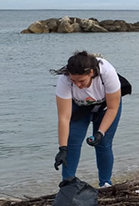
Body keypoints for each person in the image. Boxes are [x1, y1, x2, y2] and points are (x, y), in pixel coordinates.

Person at [52, 51, 122, 187]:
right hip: (79, 108)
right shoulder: (64, 80)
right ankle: (68, 184)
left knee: (103, 143)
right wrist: (62, 148)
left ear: (91, 73)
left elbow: (113, 108)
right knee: (72, 143)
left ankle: (105, 183)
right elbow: (64, 117)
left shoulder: (107, 72)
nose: (77, 85)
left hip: (106, 108)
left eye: (81, 81)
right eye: (74, 81)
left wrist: (100, 132)